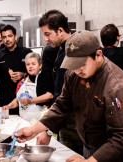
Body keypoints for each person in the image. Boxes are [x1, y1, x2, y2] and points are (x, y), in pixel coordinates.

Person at [16, 31, 123, 162]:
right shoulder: (73, 74)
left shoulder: (116, 86)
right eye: (74, 65)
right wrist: (33, 130)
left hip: (115, 154)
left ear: (98, 55)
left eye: (82, 64)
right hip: (90, 147)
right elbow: (61, 106)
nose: (78, 70)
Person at [38, 9, 83, 154]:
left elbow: (64, 97)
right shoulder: (59, 50)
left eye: (47, 34)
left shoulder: (73, 51)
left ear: (60, 30)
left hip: (75, 119)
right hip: (66, 117)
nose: (45, 39)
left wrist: (49, 129)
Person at [0, 24, 32, 114]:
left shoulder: (27, 53)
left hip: (25, 97)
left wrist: (24, 75)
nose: (7, 39)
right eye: (4, 37)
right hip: (5, 99)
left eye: (10, 36)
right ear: (2, 39)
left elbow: (36, 72)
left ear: (15, 37)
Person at [3, 52, 54, 122]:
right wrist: (9, 106)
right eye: (28, 64)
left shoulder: (45, 78)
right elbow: (18, 100)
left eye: (33, 64)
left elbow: (50, 96)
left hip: (40, 121)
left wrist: (30, 101)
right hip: (24, 121)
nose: (30, 66)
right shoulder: (21, 82)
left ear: (40, 66)